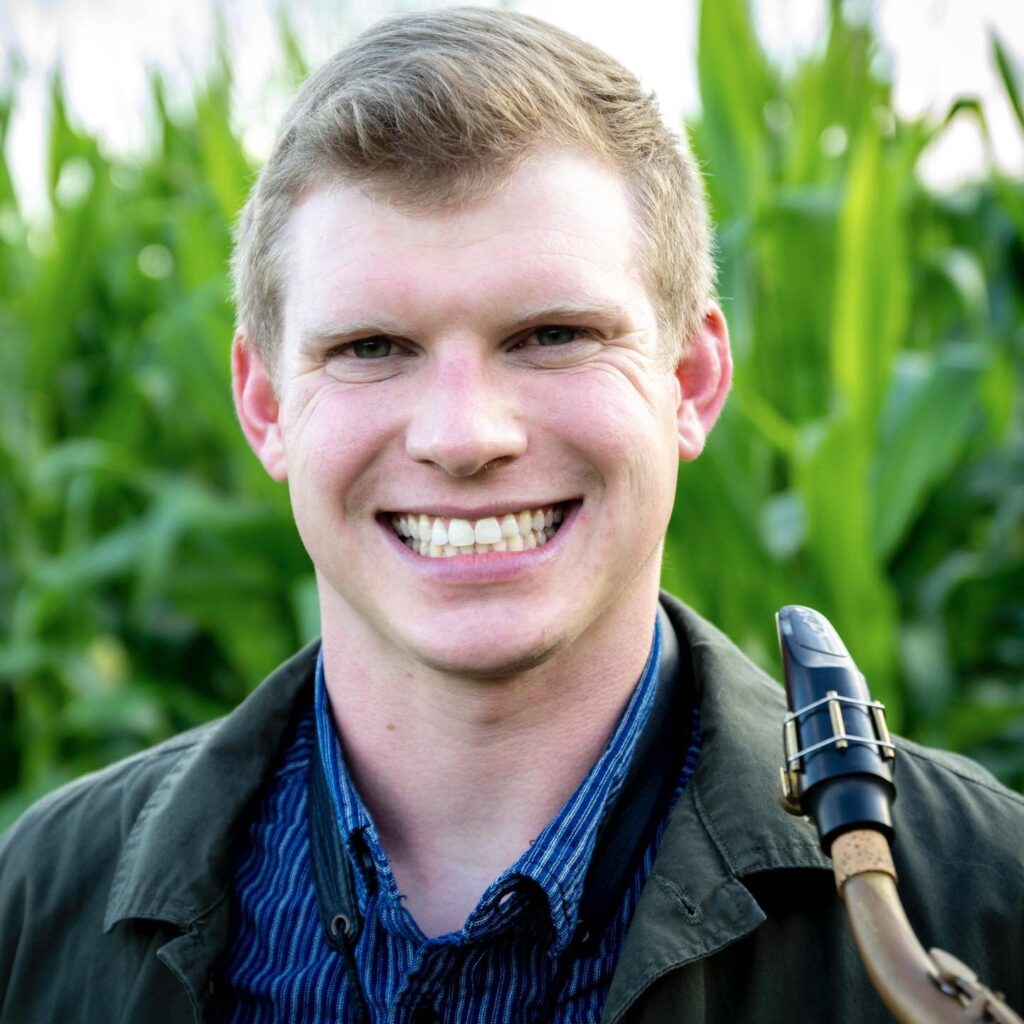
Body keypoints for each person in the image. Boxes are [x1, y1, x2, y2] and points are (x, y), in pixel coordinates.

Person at [1, 8, 1022, 1023]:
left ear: (693, 378)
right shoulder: (35, 897)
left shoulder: (989, 896)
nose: (461, 434)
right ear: (265, 405)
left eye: (550, 334)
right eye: (370, 347)